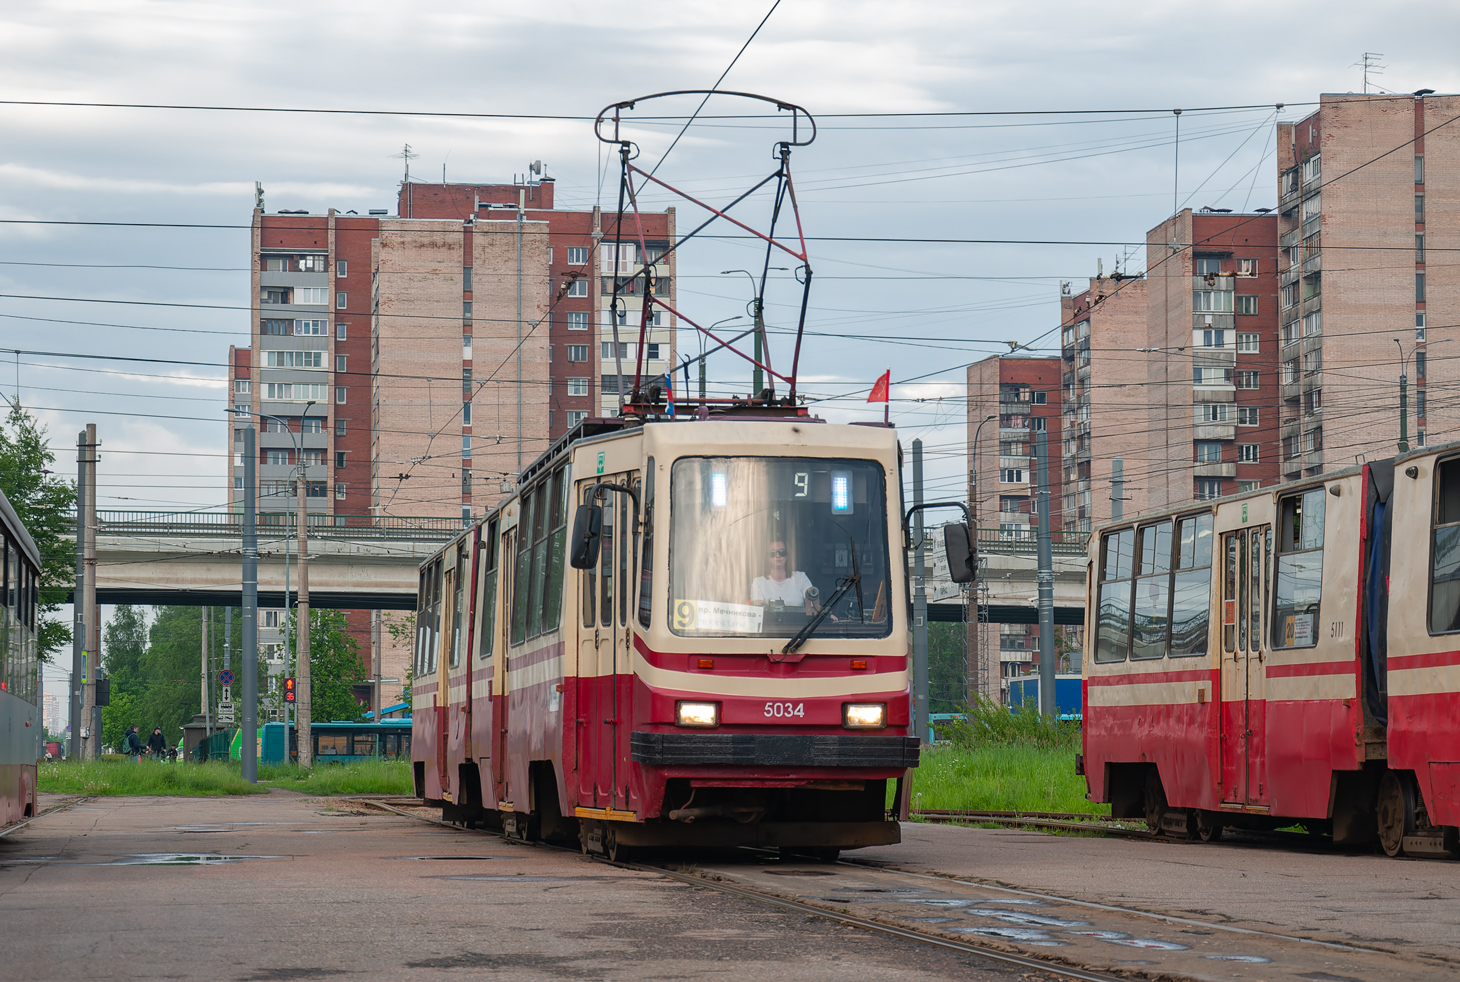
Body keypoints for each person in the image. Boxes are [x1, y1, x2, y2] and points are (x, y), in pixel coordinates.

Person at [751, 540, 819, 612]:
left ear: (787, 555)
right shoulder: (758, 582)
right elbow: (758, 612)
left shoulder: (801, 577)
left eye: (782, 552)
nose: (778, 556)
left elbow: (814, 607)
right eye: (772, 553)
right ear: (767, 557)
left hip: (799, 620)